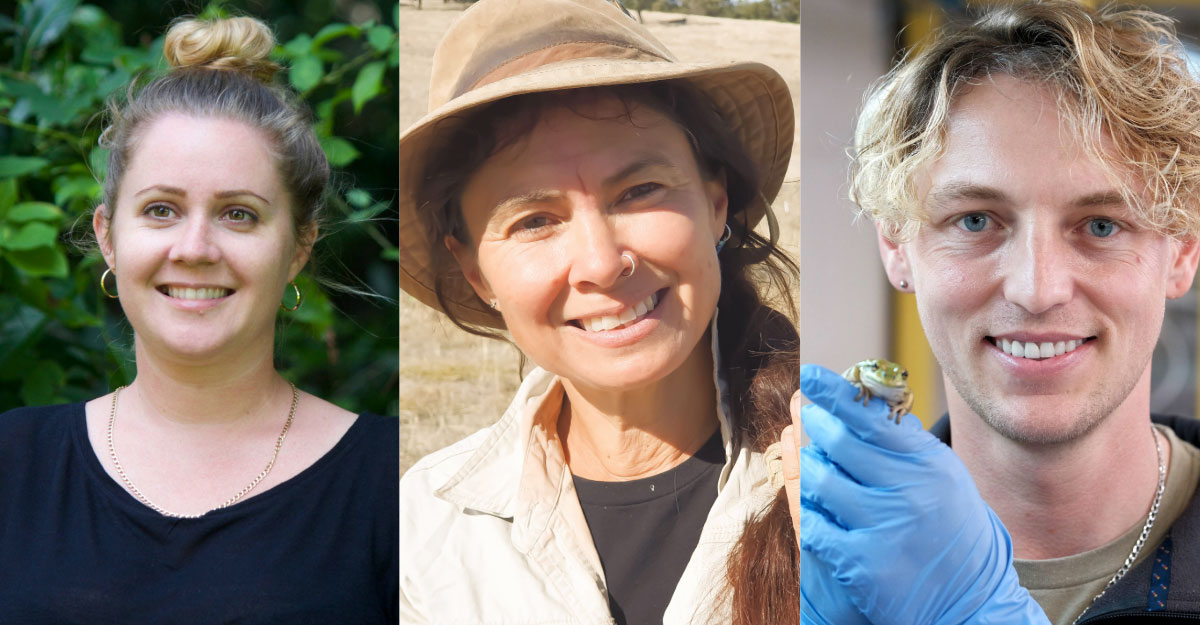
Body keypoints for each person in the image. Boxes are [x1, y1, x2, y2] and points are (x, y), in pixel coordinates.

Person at [796, 3, 1200, 624]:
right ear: (897, 246)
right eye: (976, 220)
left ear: (1183, 252)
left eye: (1100, 225)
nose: (1037, 290)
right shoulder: (806, 552)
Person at [397, 0, 799, 623]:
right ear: (475, 270)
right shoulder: (428, 529)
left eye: (639, 191)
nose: (603, 263)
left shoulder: (845, 473)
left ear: (715, 203)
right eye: (535, 221)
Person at [0, 17, 398, 622]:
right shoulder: (13, 462)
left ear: (298, 246)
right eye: (161, 210)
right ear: (109, 237)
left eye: (238, 214)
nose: (194, 247)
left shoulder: (396, 486)